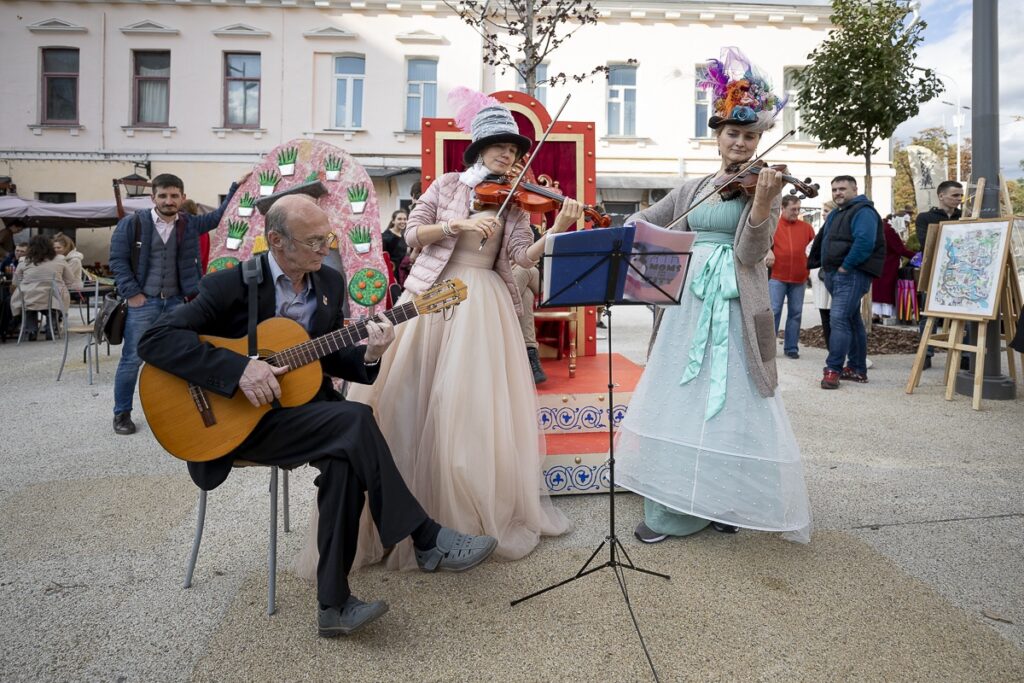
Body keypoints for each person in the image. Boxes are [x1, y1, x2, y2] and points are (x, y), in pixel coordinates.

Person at [137, 195, 497, 637]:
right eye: (313, 241)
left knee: (345, 456)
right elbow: (154, 340)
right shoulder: (231, 285)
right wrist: (238, 369)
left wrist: (370, 353)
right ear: (276, 241)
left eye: (328, 237)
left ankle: (335, 606)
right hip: (237, 425)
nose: (325, 247)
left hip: (300, 415)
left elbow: (326, 355)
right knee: (355, 421)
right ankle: (424, 537)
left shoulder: (327, 281)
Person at [296, 88, 574, 577]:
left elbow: (518, 263)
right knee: (407, 395)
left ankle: (458, 515)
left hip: (484, 303)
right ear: (478, 149)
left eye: (512, 148)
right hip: (430, 297)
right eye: (498, 145)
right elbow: (411, 233)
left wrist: (555, 233)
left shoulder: (515, 204)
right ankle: (400, 514)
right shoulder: (447, 185)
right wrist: (457, 225)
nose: (506, 153)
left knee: (466, 407)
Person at [615, 47, 811, 545]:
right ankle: (672, 505)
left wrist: (765, 201)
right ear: (718, 136)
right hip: (683, 306)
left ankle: (725, 499)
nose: (741, 143)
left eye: (749, 136)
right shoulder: (693, 188)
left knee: (732, 402)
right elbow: (642, 223)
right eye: (733, 133)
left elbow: (748, 253)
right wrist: (611, 228)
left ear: (758, 139)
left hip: (734, 306)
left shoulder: (758, 189)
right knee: (679, 395)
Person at [109, 172, 241, 435]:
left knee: (179, 358)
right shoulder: (132, 224)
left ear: (183, 197)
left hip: (176, 304)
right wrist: (132, 293)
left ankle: (174, 411)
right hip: (142, 304)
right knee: (132, 359)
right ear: (153, 197)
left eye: (174, 196)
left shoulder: (189, 224)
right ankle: (121, 414)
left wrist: (237, 186)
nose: (168, 200)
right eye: (163, 195)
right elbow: (118, 261)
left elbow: (218, 217)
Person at [808, 176, 885, 389]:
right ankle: (858, 368)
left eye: (842, 188)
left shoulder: (863, 211)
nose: (837, 193)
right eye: (834, 190)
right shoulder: (836, 213)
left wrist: (846, 266)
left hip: (851, 274)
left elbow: (864, 242)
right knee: (851, 320)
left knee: (839, 319)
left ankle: (833, 369)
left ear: (854, 189)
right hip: (835, 274)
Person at [914, 180, 963, 369]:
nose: (959, 199)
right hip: (935, 271)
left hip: (960, 274)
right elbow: (926, 243)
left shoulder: (965, 217)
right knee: (928, 314)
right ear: (941, 195)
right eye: (954, 195)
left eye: (960, 195)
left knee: (964, 316)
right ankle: (925, 353)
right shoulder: (925, 218)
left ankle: (965, 354)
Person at [767, 196, 815, 359]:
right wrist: (768, 250)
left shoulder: (807, 228)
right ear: (782, 208)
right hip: (777, 276)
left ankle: (791, 347)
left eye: (798, 209)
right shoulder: (772, 226)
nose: (797, 212)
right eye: (793, 209)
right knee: (774, 312)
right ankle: (768, 348)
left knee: (796, 313)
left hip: (799, 277)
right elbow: (762, 244)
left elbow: (812, 249)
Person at [10, 235, 78, 341]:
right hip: (52, 297)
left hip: (29, 297)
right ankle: (50, 328)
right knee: (53, 304)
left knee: (29, 307)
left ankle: (32, 330)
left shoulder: (23, 262)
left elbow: (15, 281)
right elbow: (70, 280)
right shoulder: (60, 260)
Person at [514, 221, 546, 383]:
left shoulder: (531, 229)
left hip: (536, 277)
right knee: (525, 296)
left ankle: (499, 312)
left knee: (523, 269)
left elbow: (540, 259)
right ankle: (531, 352)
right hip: (515, 281)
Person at [871, 216, 916, 321]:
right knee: (886, 289)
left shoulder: (881, 227)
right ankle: (885, 314)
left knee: (879, 288)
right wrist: (917, 257)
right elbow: (899, 249)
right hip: (888, 264)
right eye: (906, 222)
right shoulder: (889, 230)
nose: (907, 225)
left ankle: (876, 313)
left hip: (879, 263)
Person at [809, 201, 835, 350]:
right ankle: (832, 350)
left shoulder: (831, 228)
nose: (823, 213)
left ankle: (836, 351)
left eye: (826, 210)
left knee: (832, 317)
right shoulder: (824, 228)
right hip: (821, 278)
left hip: (828, 278)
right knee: (825, 316)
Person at [381, 210, 409, 284]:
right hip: (391, 273)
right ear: (393, 221)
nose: (403, 221)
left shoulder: (404, 236)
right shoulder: (386, 236)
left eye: (405, 219)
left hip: (401, 273)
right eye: (399, 219)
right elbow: (382, 257)